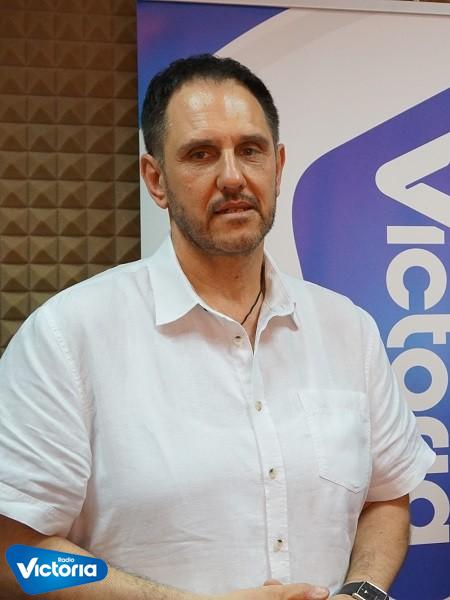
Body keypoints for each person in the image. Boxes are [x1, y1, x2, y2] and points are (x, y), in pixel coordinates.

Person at [0, 54, 435, 600]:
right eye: (201, 154)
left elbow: (386, 496)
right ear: (156, 180)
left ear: (277, 166)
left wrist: (363, 591)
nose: (233, 177)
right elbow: (15, 558)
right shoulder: (67, 338)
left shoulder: (348, 329)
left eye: (250, 150)